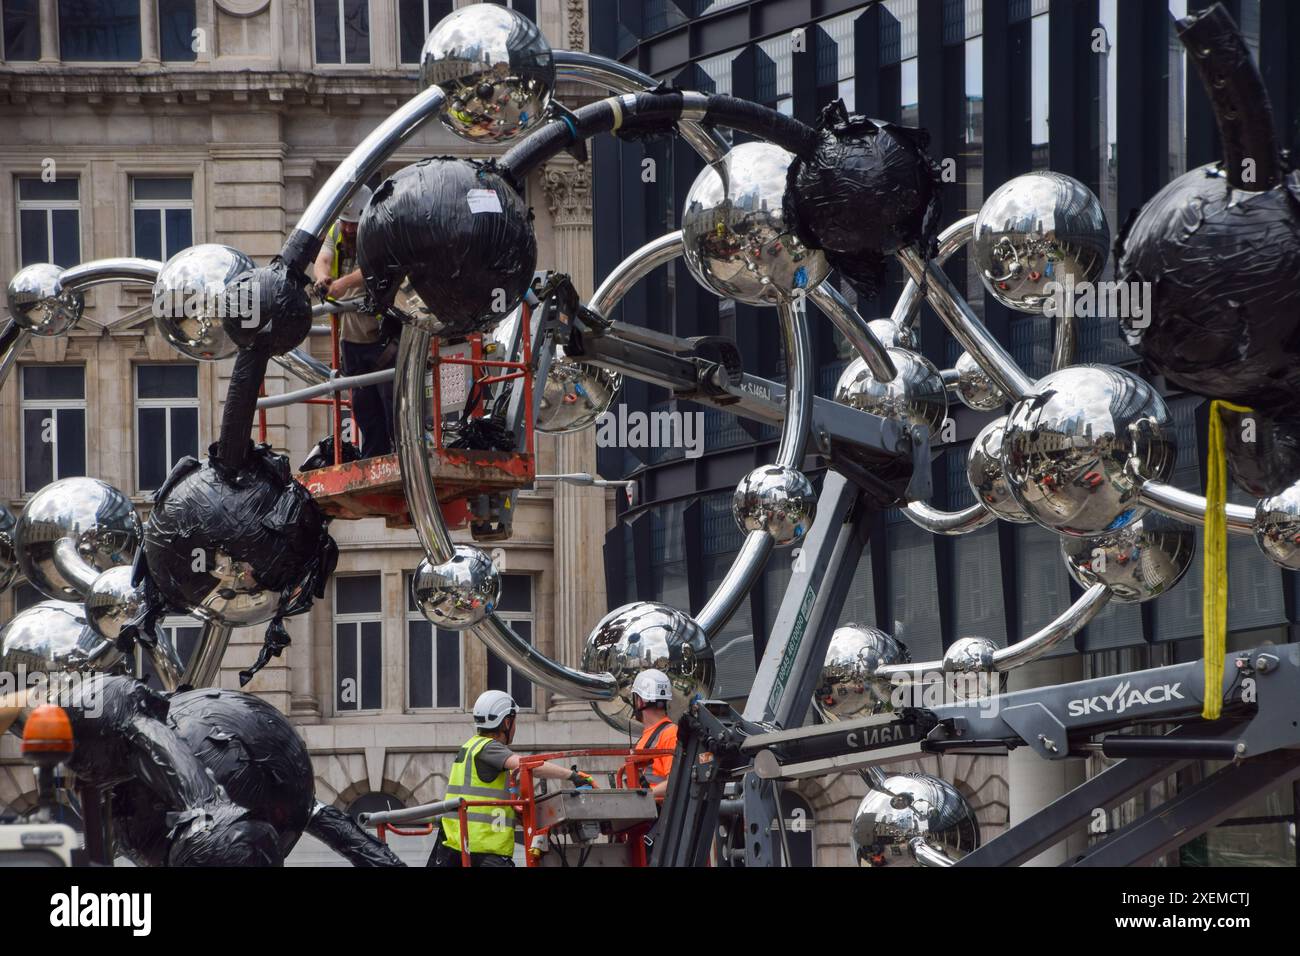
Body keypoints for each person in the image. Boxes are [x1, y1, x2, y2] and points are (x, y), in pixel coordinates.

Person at [431, 689, 596, 867]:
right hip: (483, 850)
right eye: (515, 721)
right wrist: (573, 776)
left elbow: (486, 796)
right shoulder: (490, 748)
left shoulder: (471, 746)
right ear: (507, 722)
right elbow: (527, 765)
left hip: (459, 847)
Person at [311, 183, 396, 458]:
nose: (348, 230)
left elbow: (373, 269)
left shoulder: (378, 232)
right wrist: (322, 278)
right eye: (345, 223)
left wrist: (341, 285)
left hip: (383, 337)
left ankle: (398, 458)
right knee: (363, 409)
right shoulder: (337, 231)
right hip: (352, 341)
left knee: (391, 406)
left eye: (353, 225)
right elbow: (322, 259)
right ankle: (374, 461)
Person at [630, 669, 678, 800]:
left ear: (641, 701)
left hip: (657, 814)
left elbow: (675, 782)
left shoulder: (670, 734)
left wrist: (643, 796)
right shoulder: (645, 738)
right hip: (645, 810)